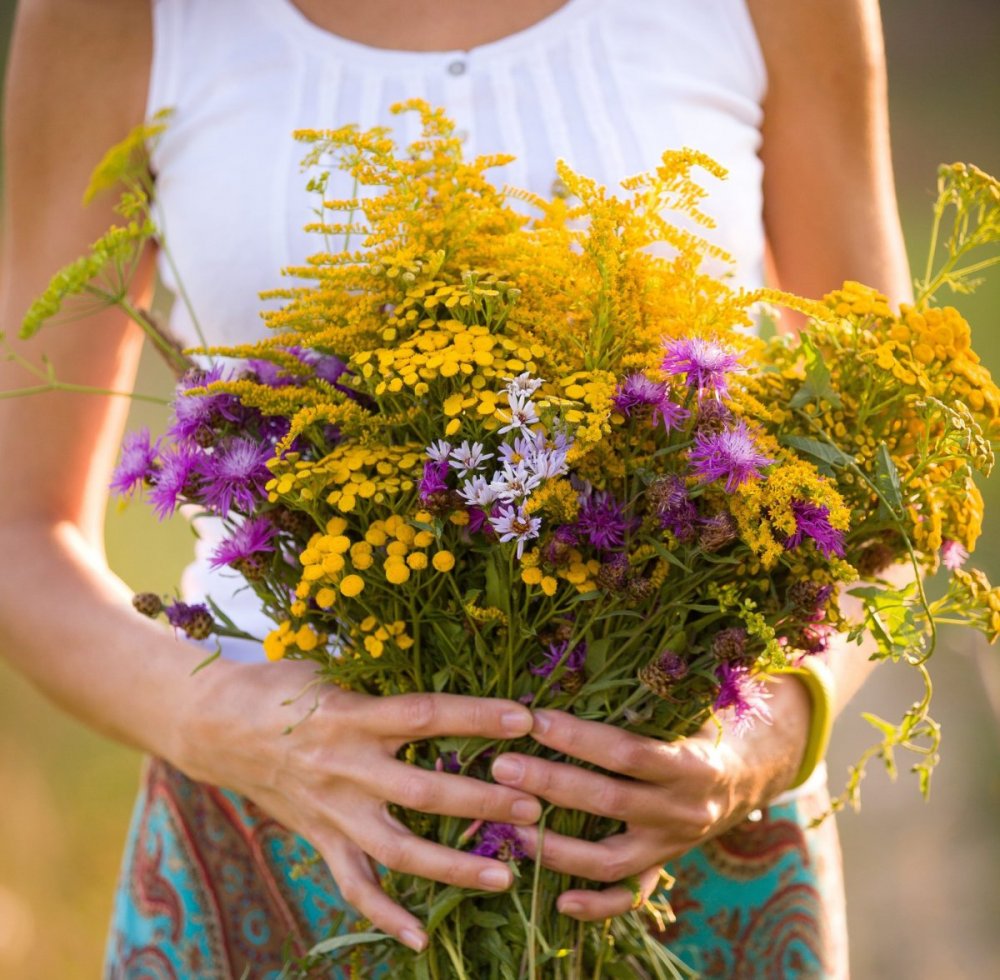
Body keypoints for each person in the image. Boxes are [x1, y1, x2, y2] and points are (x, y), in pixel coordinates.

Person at [0, 0, 911, 976]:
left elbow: (889, 495)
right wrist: (226, 723)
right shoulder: (114, 17)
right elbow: (19, 530)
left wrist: (761, 739)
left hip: (685, 847)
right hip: (266, 840)